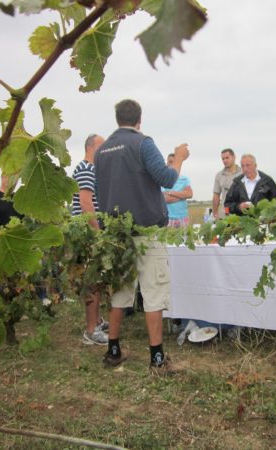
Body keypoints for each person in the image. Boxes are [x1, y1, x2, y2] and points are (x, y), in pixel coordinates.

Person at [94, 99, 189, 373]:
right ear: (139, 119)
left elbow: (101, 195)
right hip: (146, 233)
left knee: (120, 294)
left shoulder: (102, 151)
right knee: (153, 293)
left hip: (117, 236)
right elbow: (167, 178)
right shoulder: (143, 143)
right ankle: (157, 360)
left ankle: (113, 351)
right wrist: (179, 157)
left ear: (117, 119)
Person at [71, 133, 109, 346]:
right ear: (90, 148)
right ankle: (91, 330)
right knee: (91, 281)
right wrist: (97, 232)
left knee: (95, 280)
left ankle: (97, 320)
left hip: (89, 232)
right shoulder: (86, 169)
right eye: (101, 147)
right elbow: (86, 204)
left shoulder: (89, 169)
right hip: (87, 234)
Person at [162, 153, 193, 228]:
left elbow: (189, 194)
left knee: (185, 239)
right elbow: (164, 199)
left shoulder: (185, 179)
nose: (171, 164)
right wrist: (182, 195)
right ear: (166, 163)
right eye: (170, 162)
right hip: (168, 218)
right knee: (168, 240)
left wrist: (170, 192)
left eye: (174, 162)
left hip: (183, 218)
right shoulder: (163, 180)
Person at [212, 148, 241, 220]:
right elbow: (216, 195)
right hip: (224, 215)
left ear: (234, 157)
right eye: (223, 159)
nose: (225, 160)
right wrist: (215, 213)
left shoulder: (243, 173)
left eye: (227, 158)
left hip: (240, 214)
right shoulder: (219, 175)